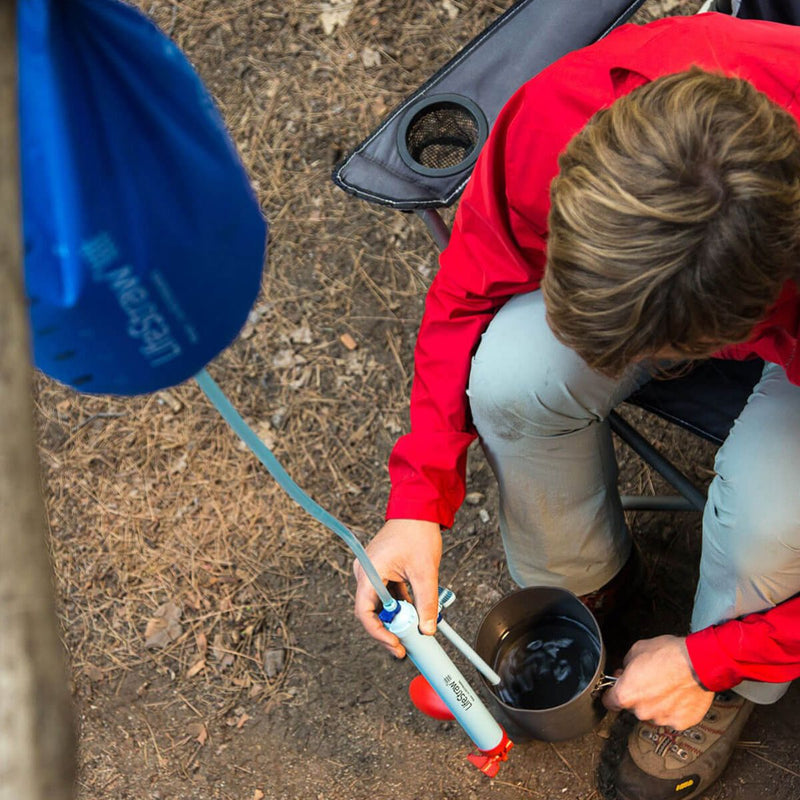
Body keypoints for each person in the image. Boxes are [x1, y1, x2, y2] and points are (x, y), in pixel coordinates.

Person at [353, 11, 800, 800]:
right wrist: (419, 497)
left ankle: (713, 685)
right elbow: (466, 292)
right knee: (511, 376)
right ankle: (589, 592)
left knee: (773, 514)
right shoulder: (564, 117)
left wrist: (721, 657)